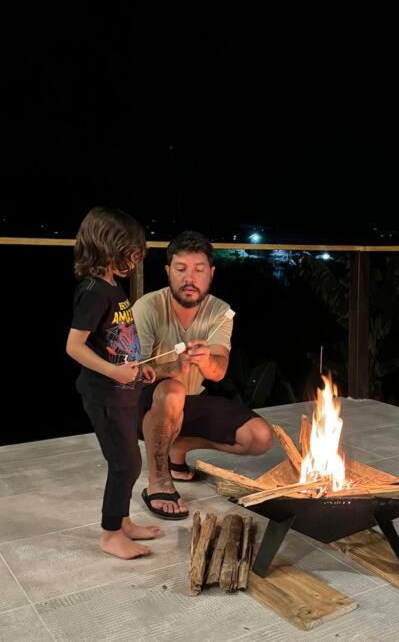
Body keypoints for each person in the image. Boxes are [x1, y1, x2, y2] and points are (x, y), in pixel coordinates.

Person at [132, 230, 273, 519]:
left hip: (189, 400)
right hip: (143, 405)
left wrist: (206, 360)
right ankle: (159, 481)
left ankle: (179, 447)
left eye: (199, 270)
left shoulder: (220, 312)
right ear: (168, 272)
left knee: (259, 437)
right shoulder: (148, 306)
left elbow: (218, 373)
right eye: (181, 269)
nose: (190, 278)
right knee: (172, 389)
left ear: (211, 273)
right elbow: (134, 373)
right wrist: (172, 368)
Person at [66, 206, 162, 559]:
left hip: (123, 390)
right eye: (131, 251)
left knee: (128, 460)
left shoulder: (112, 287)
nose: (135, 259)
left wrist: (138, 368)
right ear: (108, 246)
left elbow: (115, 339)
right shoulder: (93, 291)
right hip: (105, 395)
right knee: (125, 463)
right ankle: (110, 535)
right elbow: (74, 346)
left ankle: (122, 522)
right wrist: (115, 372)